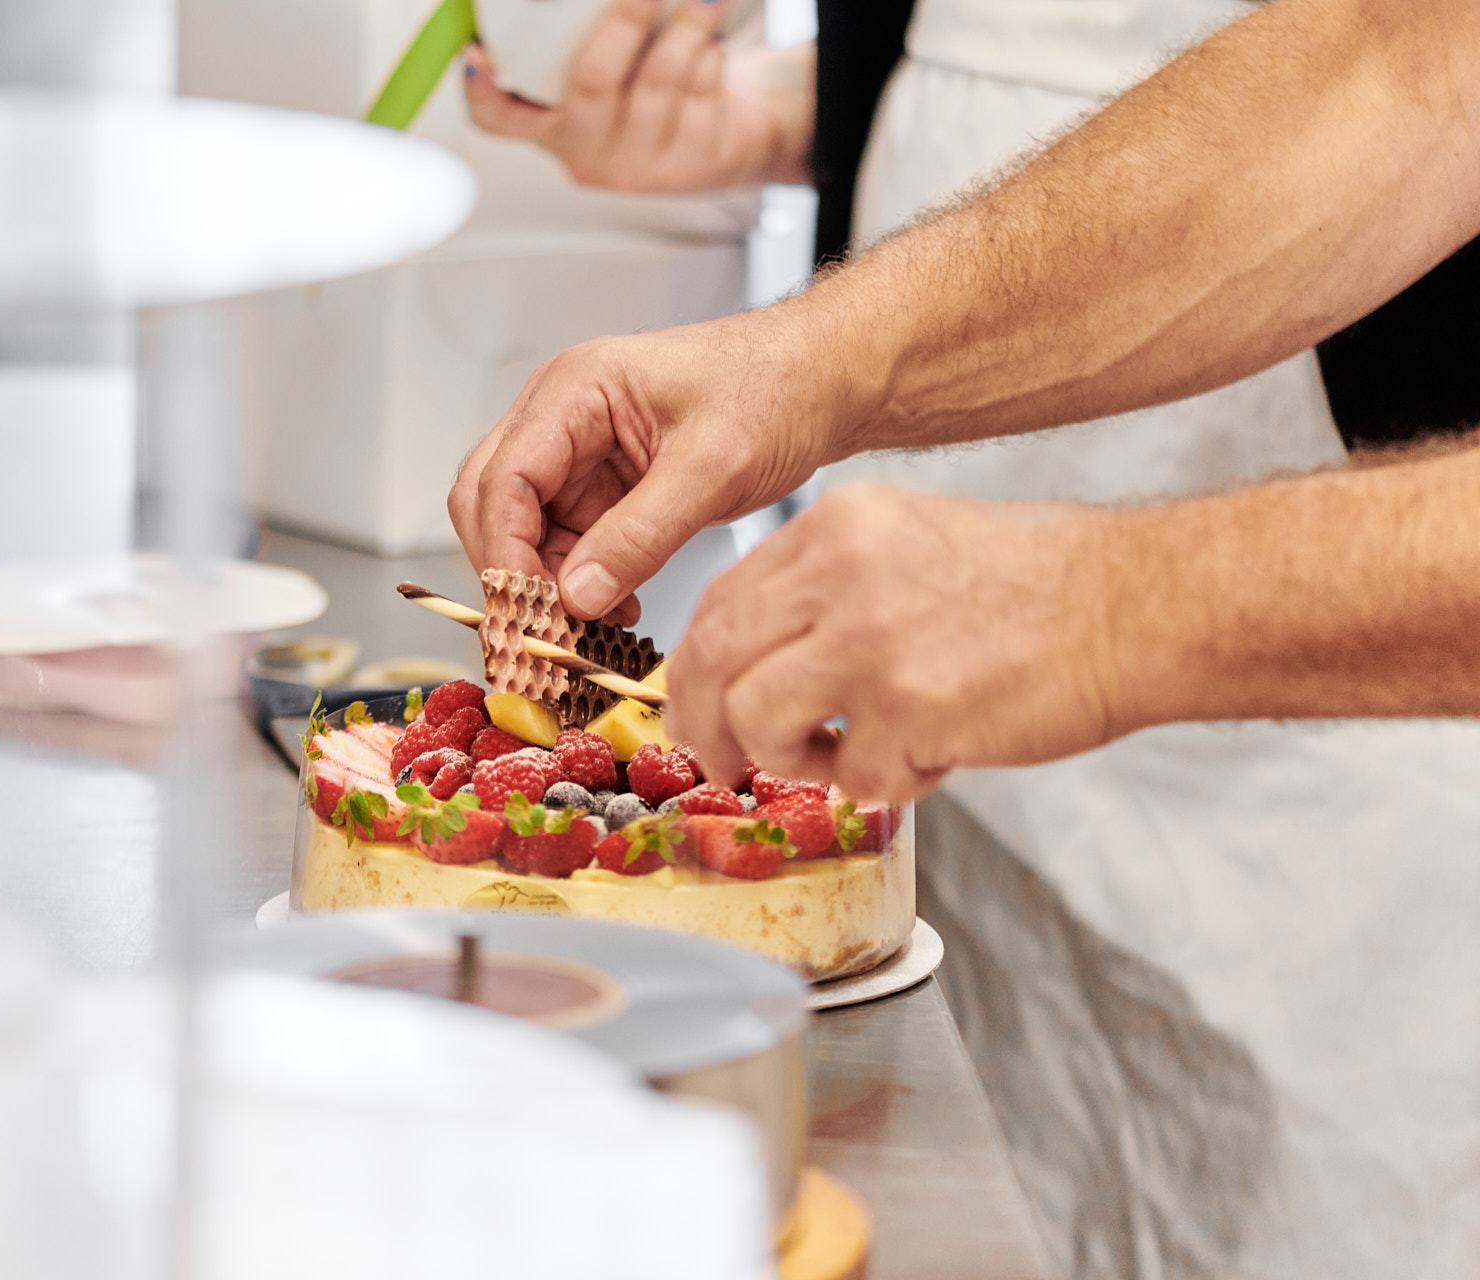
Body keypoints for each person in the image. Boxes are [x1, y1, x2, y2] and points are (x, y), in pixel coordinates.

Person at [455, 0, 1480, 1274]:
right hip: (986, 776)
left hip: (1369, 814)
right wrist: (805, 359)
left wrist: (1112, 607)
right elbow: (1405, 65)